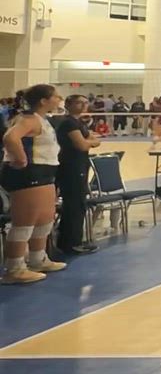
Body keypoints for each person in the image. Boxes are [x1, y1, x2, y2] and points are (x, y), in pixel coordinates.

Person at [1, 85, 68, 284]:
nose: (59, 99)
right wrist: (21, 158)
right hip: (29, 173)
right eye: (55, 96)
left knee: (44, 219)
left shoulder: (42, 119)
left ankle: (38, 259)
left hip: (45, 171)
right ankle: (14, 269)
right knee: (25, 222)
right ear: (43, 101)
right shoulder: (28, 119)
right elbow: (10, 138)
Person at [55, 94, 101, 256]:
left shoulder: (78, 123)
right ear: (69, 104)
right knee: (74, 204)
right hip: (71, 167)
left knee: (79, 203)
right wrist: (89, 142)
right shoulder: (68, 123)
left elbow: (93, 139)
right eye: (79, 103)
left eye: (85, 102)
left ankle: (74, 240)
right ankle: (71, 243)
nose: (83, 105)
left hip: (80, 165)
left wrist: (89, 141)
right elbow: (82, 144)